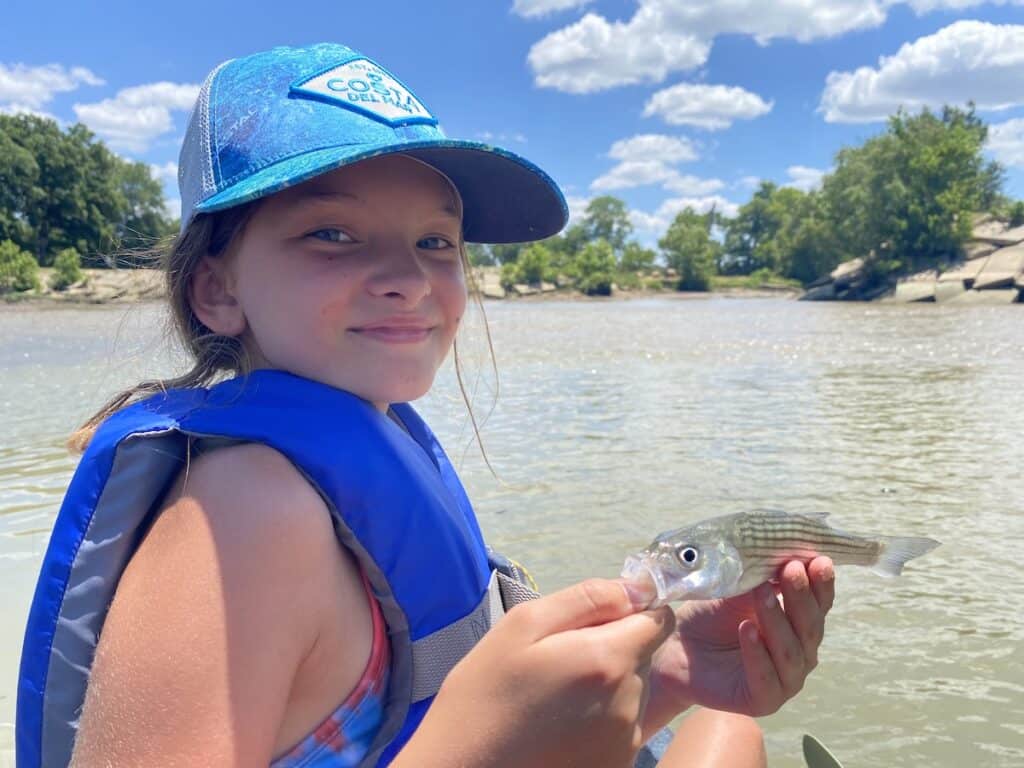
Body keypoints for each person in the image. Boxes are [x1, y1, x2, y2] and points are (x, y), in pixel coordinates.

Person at [16, 42, 835, 768]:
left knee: (734, 734)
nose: (407, 276)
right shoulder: (242, 516)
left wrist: (670, 672)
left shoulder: (360, 446)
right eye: (332, 234)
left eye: (436, 242)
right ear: (215, 289)